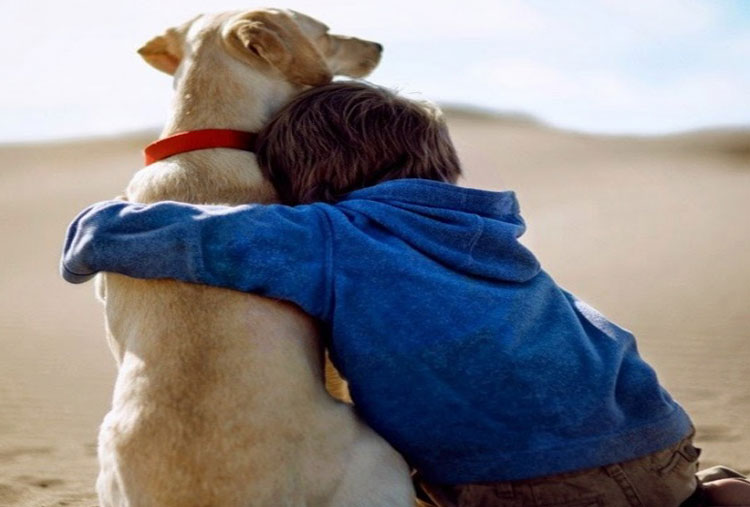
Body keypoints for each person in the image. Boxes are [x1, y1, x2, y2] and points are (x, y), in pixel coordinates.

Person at [61, 81, 750, 506]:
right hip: (658, 443)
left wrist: (94, 225)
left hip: (521, 483)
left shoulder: (334, 234)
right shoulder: (488, 225)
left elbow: (191, 239)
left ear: (311, 178)